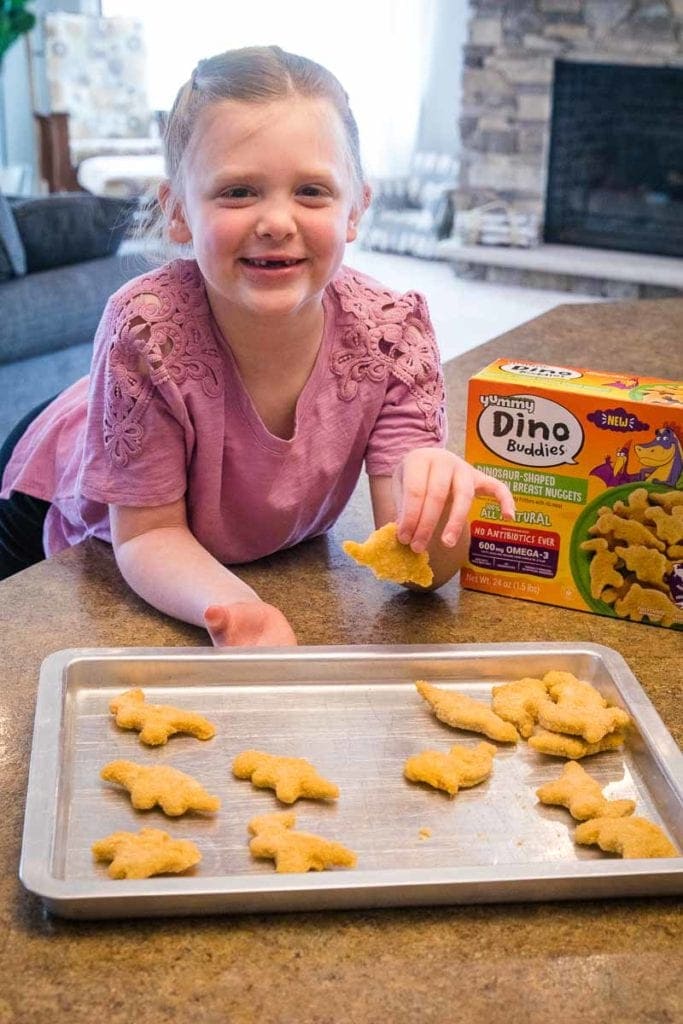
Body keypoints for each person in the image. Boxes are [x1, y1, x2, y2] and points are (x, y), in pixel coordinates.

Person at [0, 45, 514, 646]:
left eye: (312, 191)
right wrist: (241, 610)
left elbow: (419, 574)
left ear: (355, 210)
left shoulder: (393, 336)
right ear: (178, 212)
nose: (276, 221)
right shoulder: (145, 329)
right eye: (239, 191)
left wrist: (442, 512)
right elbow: (145, 536)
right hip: (59, 480)